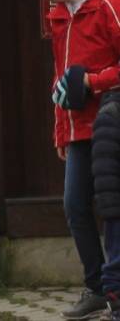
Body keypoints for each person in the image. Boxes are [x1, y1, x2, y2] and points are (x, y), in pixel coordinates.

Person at [26, 0, 120, 320]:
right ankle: (97, 287)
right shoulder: (59, 11)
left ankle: (113, 290)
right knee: (74, 205)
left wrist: (92, 84)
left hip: (111, 125)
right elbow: (59, 79)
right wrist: (59, 130)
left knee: (113, 207)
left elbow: (87, 79)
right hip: (78, 128)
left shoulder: (110, 4)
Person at [93, 92, 120, 320]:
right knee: (116, 259)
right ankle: (115, 303)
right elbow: (105, 168)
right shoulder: (111, 113)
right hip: (115, 206)